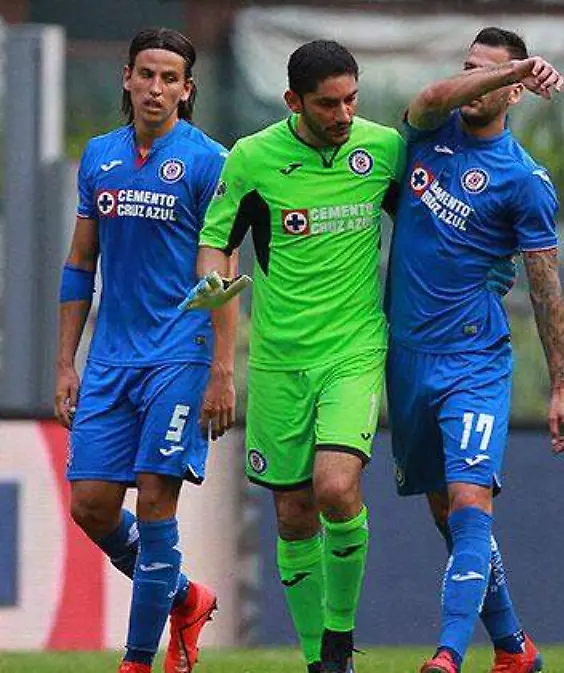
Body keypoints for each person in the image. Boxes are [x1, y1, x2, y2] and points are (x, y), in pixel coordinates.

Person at [194, 40, 400, 673]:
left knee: (337, 487)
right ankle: (320, 660)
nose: (342, 113)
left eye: (350, 99)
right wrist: (215, 302)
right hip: (280, 359)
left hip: (355, 350)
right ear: (294, 102)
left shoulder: (384, 149)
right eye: (327, 103)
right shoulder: (253, 159)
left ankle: (339, 637)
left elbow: (432, 225)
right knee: (292, 511)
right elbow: (214, 242)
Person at [386, 26, 564, 673]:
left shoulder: (524, 180)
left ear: (517, 93)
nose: (474, 80)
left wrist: (561, 386)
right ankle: (515, 647)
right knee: (445, 509)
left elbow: (547, 289)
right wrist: (509, 68)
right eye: (471, 67)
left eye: (491, 74)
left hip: (473, 359)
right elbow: (435, 91)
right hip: (408, 356)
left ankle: (447, 654)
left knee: (471, 501)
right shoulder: (426, 129)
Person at [56, 27, 227, 673]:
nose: (156, 88)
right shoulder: (99, 156)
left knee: (156, 498)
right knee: (91, 505)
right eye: (146, 75)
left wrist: (220, 368)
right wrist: (65, 363)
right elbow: (79, 265)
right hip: (110, 359)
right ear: (126, 77)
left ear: (188, 89)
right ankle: (185, 597)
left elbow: (222, 272)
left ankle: (136, 661)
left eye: (169, 78)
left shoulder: (210, 159)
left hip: (180, 355)